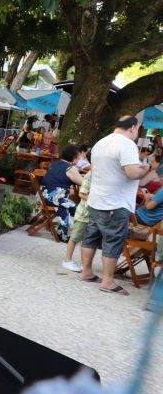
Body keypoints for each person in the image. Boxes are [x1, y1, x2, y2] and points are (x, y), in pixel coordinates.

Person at [78, 115, 149, 295]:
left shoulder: (101, 142)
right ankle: (108, 281)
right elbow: (132, 173)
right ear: (133, 127)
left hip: (95, 200)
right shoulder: (127, 144)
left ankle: (86, 271)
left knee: (91, 236)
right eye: (137, 129)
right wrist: (145, 170)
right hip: (115, 202)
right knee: (113, 240)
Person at [40, 145, 84, 242]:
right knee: (77, 209)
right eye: (78, 157)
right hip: (54, 198)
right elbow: (83, 183)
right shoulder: (70, 168)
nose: (79, 160)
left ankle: (62, 233)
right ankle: (67, 234)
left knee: (64, 208)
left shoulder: (55, 163)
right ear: (74, 158)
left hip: (42, 196)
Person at [62, 166, 91, 272]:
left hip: (93, 215)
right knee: (74, 238)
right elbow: (82, 194)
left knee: (87, 241)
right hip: (83, 214)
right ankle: (67, 260)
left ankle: (85, 263)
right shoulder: (90, 176)